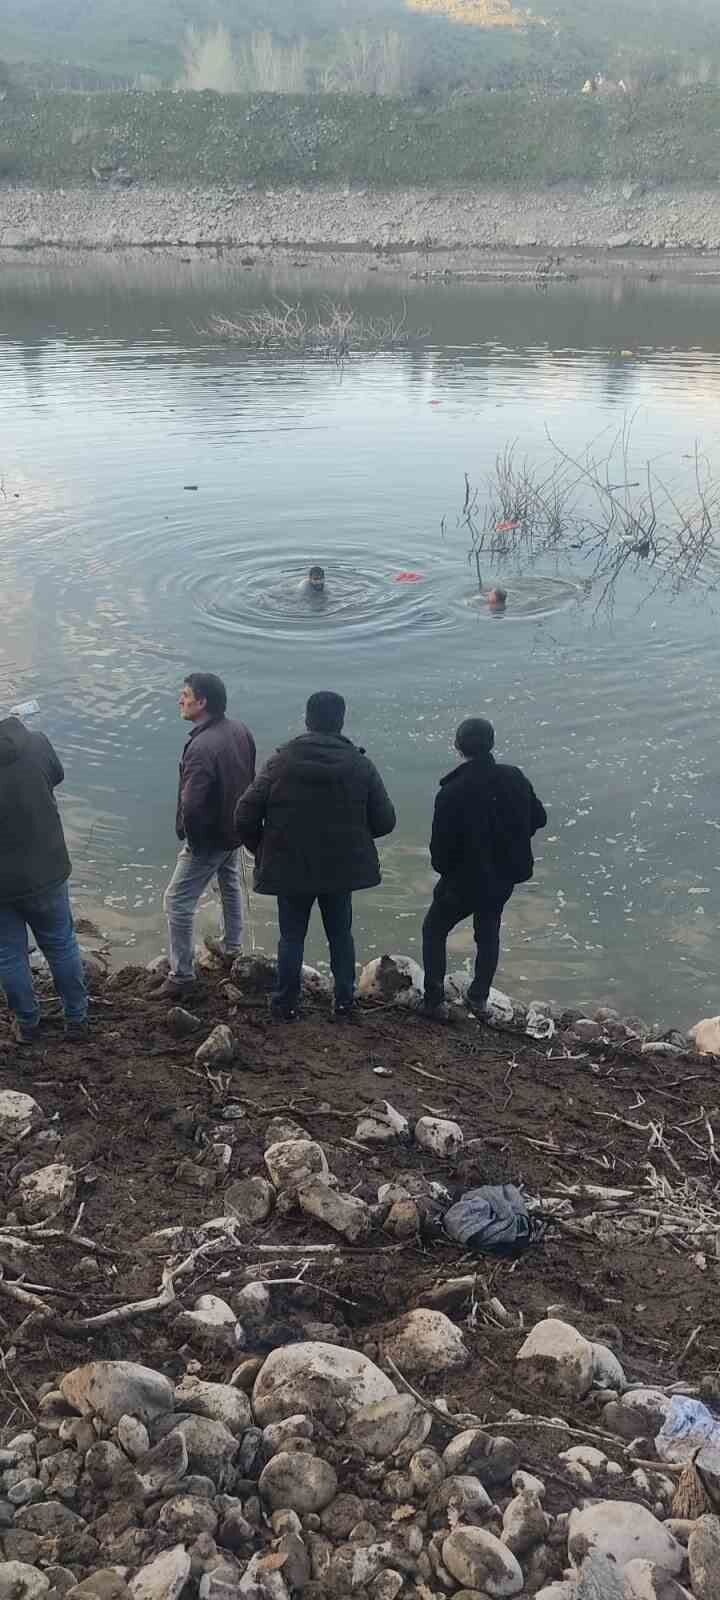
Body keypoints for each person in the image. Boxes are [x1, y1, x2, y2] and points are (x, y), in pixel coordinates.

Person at [234, 690, 395, 1021]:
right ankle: (345, 1002)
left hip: (289, 867)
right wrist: (353, 838)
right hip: (340, 870)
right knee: (340, 933)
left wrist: (262, 847)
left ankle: (286, 1003)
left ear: (307, 721)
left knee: (291, 936)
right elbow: (386, 821)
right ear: (341, 721)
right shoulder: (359, 764)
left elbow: (244, 814)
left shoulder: (280, 762)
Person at [422, 717, 546, 1018]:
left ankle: (435, 1000)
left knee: (434, 929)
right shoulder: (514, 777)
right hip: (503, 876)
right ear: (491, 744)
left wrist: (450, 871)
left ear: (457, 746)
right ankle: (478, 998)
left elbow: (439, 852)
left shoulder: (451, 791)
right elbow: (539, 818)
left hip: (463, 880)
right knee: (488, 933)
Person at [160, 673, 256, 999]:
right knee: (229, 885)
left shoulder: (201, 747)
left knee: (176, 901)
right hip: (235, 830)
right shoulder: (240, 730)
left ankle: (182, 976)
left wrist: (194, 842)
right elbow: (250, 780)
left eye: (185, 695)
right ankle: (232, 947)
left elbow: (191, 805)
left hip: (210, 838)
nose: (180, 699)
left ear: (202, 703)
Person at [0, 715, 88, 1044]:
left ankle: (28, 1024)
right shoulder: (36, 742)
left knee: (9, 955)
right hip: (47, 869)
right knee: (62, 944)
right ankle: (77, 1019)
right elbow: (57, 775)